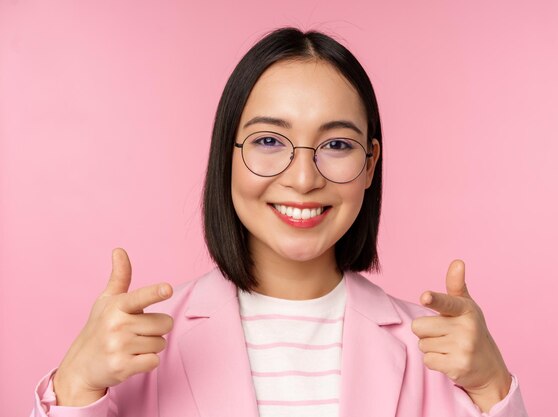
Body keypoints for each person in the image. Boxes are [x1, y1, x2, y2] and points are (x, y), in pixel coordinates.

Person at [30, 26, 528, 417]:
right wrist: (75, 383)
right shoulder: (136, 348)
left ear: (371, 164)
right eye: (269, 141)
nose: (304, 178)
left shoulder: (438, 353)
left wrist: (492, 386)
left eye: (336, 145)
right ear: (226, 155)